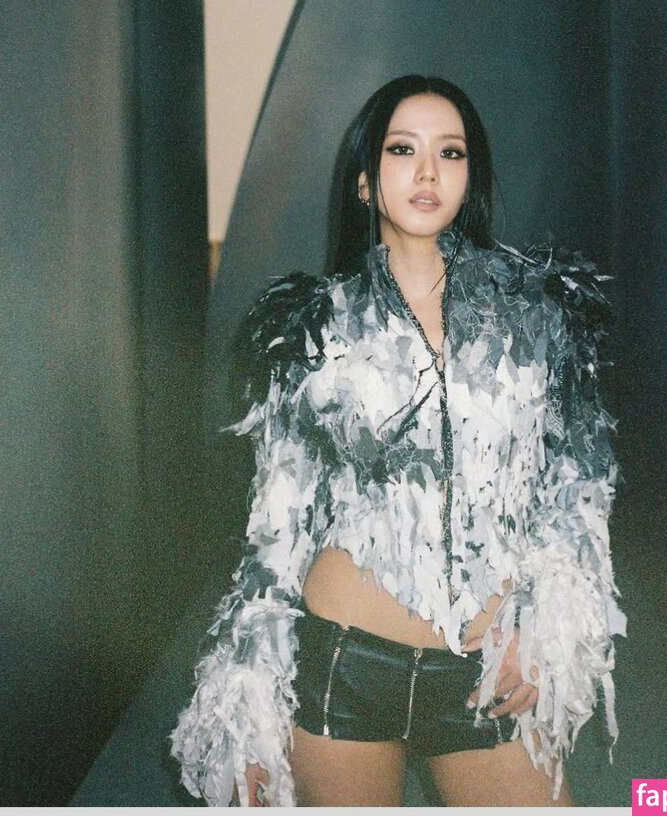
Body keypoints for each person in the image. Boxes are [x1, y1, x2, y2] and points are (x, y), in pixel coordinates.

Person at [170, 75, 625, 807]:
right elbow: (277, 526)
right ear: (363, 180)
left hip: (487, 666)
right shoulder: (313, 327)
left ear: (469, 178)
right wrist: (246, 701)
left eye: (451, 152)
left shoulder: (537, 317)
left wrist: (550, 624)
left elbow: (576, 487)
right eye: (402, 150)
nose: (427, 172)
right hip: (343, 662)